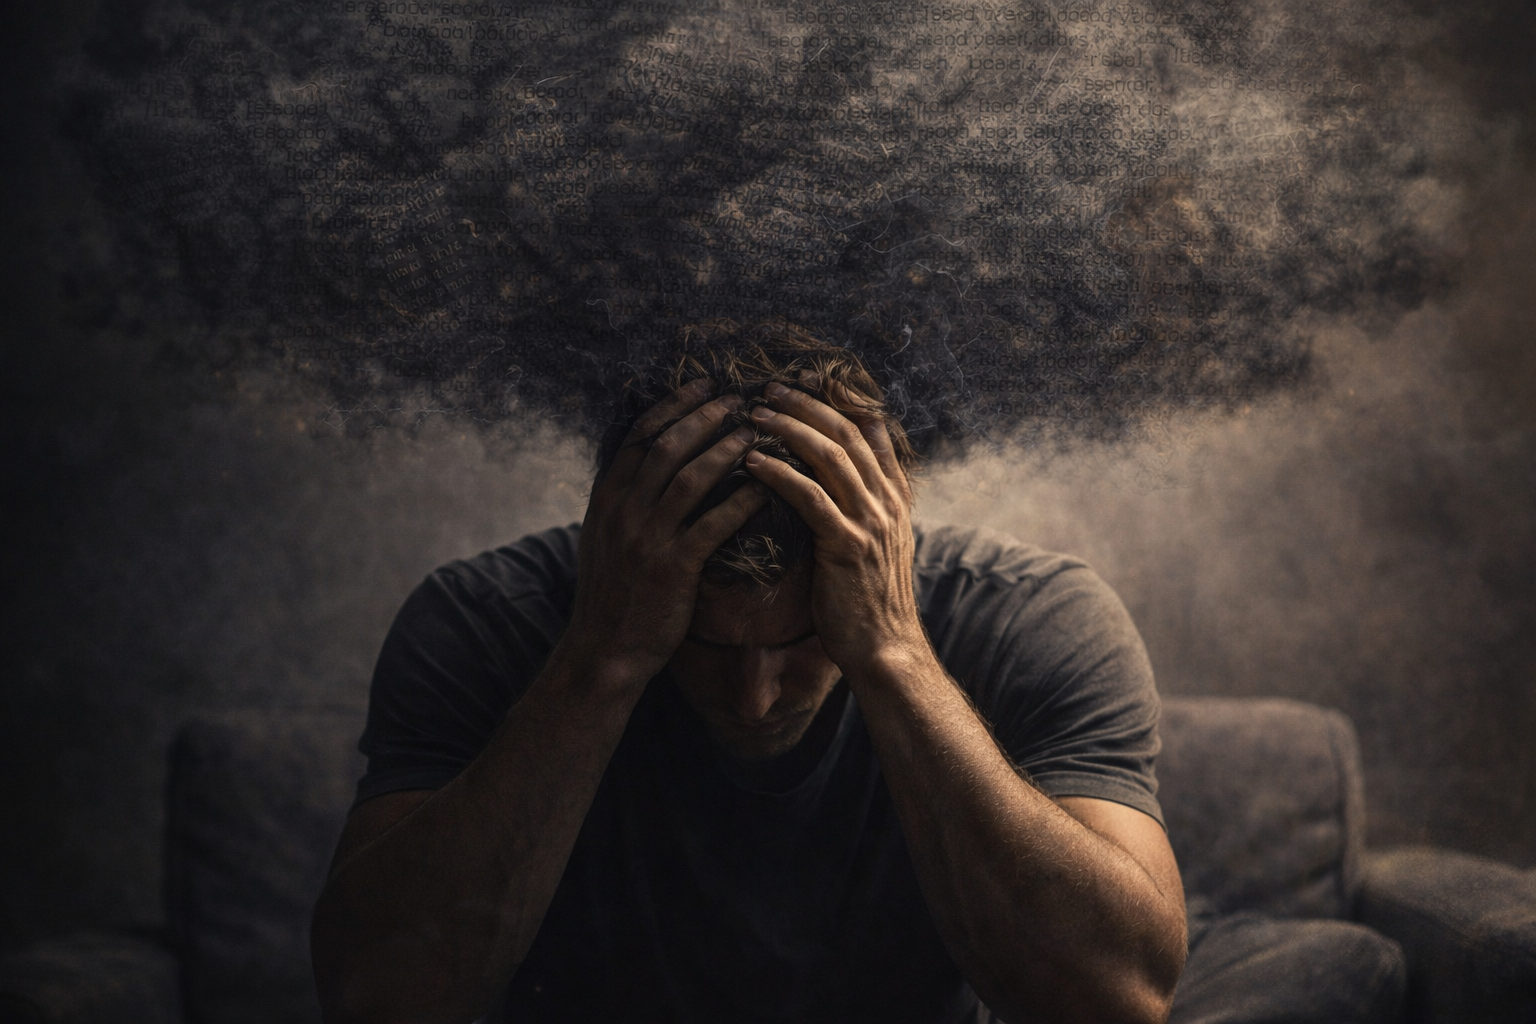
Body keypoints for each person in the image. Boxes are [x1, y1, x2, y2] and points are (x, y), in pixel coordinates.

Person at [310, 322, 1188, 1024]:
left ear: (885, 551)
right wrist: (605, 656)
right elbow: (377, 1001)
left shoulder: (1038, 616)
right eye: (706, 645)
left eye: (807, 641)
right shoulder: (481, 621)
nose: (756, 697)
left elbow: (1121, 1002)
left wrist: (889, 653)